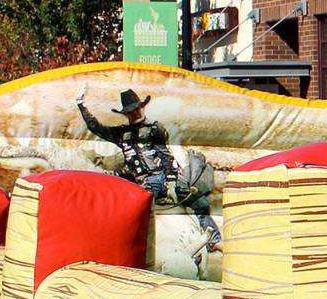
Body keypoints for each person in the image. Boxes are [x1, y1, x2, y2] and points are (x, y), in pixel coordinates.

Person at [77, 87, 222, 252]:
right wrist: (81, 105)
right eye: (130, 112)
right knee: (136, 211)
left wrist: (171, 182)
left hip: (163, 176)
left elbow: (165, 155)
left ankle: (214, 240)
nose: (134, 114)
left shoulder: (155, 129)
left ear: (141, 108)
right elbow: (96, 127)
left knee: (201, 203)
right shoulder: (121, 134)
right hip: (144, 181)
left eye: (136, 109)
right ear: (125, 114)